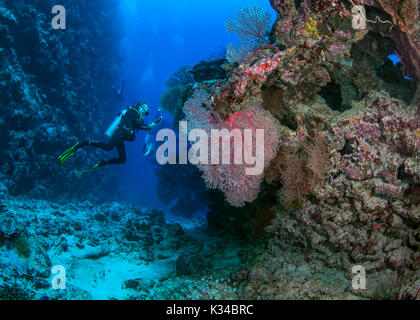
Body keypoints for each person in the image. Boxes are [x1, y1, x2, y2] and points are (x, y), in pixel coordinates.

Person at [59, 102, 162, 174]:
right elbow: (140, 125)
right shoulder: (133, 111)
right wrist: (150, 125)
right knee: (108, 147)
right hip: (120, 132)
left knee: (122, 159)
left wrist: (153, 124)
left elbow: (142, 125)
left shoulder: (138, 116)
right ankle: (84, 143)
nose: (147, 108)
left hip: (122, 136)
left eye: (147, 107)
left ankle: (103, 162)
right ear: (140, 106)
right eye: (145, 106)